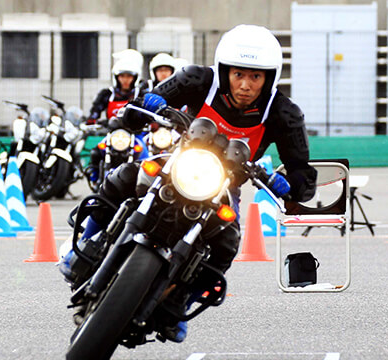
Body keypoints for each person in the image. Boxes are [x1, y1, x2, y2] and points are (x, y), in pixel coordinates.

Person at [59, 25, 316, 342]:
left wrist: (286, 185)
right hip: (178, 160)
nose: (246, 85)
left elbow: (302, 173)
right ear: (224, 71)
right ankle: (89, 241)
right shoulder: (198, 79)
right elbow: (142, 104)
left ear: (269, 78)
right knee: (124, 177)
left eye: (255, 77)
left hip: (223, 186)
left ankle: (181, 300)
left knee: (228, 242)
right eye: (239, 75)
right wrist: (150, 105)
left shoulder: (284, 113)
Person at [86, 49, 146, 182]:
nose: (125, 80)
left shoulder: (140, 94)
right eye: (122, 76)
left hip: (135, 134)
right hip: (112, 134)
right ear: (116, 77)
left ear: (134, 78)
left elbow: (148, 111)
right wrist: (92, 120)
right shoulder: (107, 94)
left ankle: (143, 182)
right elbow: (96, 109)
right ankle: (95, 178)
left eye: (129, 76)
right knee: (96, 152)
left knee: (145, 153)